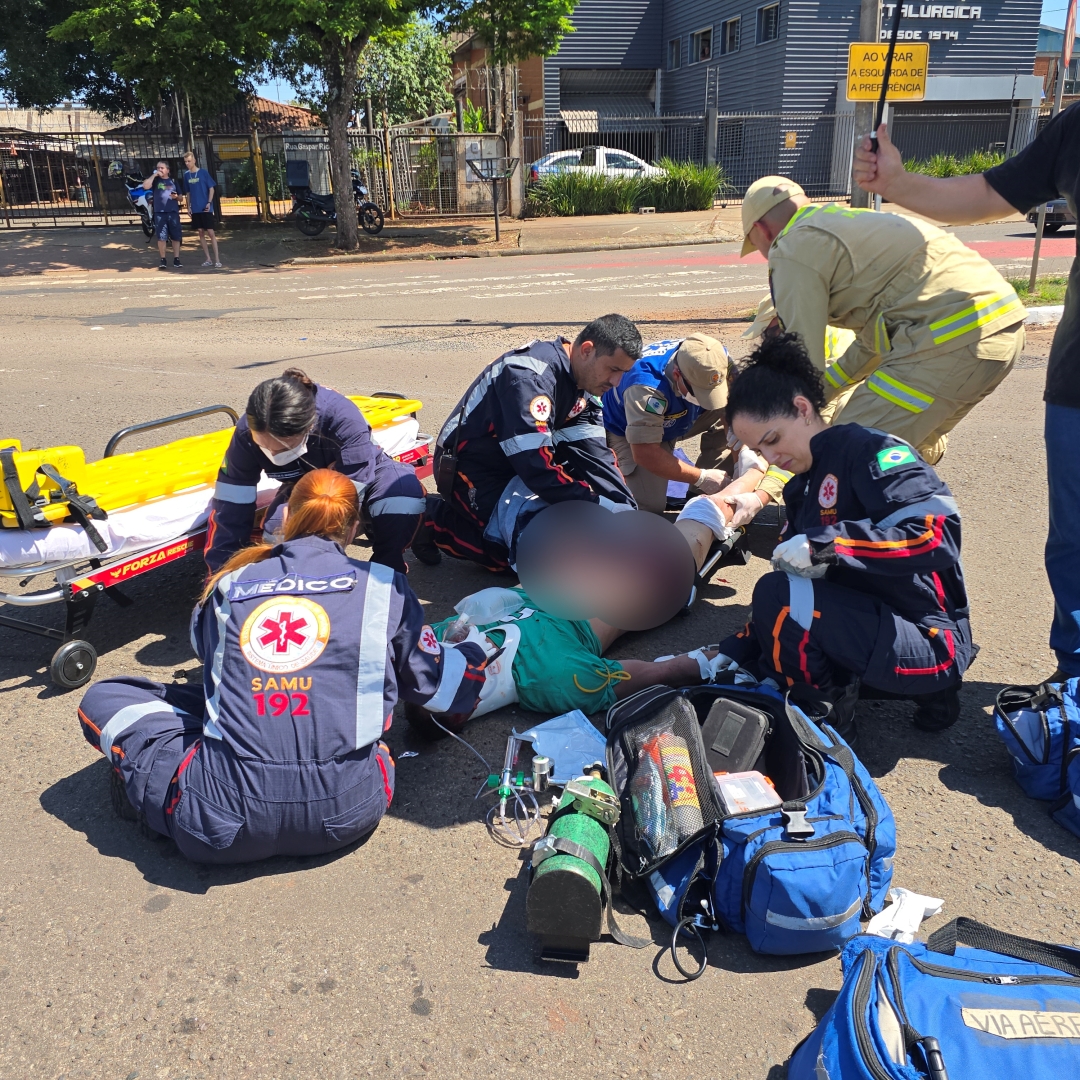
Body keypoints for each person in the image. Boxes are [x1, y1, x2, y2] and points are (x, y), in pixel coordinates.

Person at [77, 471, 487, 863]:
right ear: (353, 529)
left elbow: (212, 659)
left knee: (108, 696)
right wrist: (473, 654)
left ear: (287, 517)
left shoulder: (229, 582)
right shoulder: (385, 585)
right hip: (348, 812)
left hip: (219, 821)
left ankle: (154, 785)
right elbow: (437, 686)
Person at [852, 111, 1078, 682]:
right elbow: (987, 193)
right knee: (1075, 542)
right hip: (1078, 383)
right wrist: (898, 185)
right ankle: (1073, 683)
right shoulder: (1076, 128)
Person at [714, 333, 972, 733]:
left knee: (776, 598)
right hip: (873, 628)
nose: (772, 458)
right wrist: (729, 651)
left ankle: (826, 721)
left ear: (802, 409)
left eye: (772, 440)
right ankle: (871, 688)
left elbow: (937, 535)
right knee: (770, 622)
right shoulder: (801, 486)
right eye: (760, 452)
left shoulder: (871, 449)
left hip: (929, 638)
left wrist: (826, 545)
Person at [406, 493, 748, 738]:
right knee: (703, 518)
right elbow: (661, 672)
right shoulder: (552, 679)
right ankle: (752, 487)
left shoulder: (436, 639)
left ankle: (753, 473)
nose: (457, 648)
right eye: (459, 671)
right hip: (635, 580)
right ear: (470, 707)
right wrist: (729, 656)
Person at [739, 174, 1027, 464]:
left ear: (761, 229)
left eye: (755, 245)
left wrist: (778, 428)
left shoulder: (790, 246)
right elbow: (873, 341)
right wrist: (825, 391)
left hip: (942, 343)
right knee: (897, 459)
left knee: (841, 455)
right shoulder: (851, 222)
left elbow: (801, 362)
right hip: (1001, 332)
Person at [410, 315, 641, 572]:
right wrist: (594, 503)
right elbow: (536, 465)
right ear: (586, 350)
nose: (616, 382)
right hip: (471, 467)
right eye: (614, 370)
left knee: (574, 528)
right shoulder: (529, 378)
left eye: (624, 373)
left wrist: (623, 507)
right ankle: (427, 518)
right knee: (515, 551)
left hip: (515, 462)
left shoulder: (587, 381)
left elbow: (595, 455)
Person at [205, 368, 425, 575]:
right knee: (276, 533)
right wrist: (220, 577)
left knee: (401, 502)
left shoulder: (342, 417)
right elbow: (230, 507)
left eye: (282, 448)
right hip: (303, 484)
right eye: (264, 447)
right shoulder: (247, 433)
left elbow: (347, 496)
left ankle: (386, 572)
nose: (272, 453)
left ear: (310, 428)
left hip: (369, 473)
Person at [601, 333, 785, 519]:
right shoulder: (645, 387)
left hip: (684, 414)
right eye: (700, 393)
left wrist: (740, 452)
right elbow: (644, 452)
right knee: (646, 509)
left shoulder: (716, 358)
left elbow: (732, 406)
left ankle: (701, 497)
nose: (707, 400)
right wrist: (701, 477)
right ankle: (704, 482)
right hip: (630, 428)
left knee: (737, 423)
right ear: (677, 375)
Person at [141, 160, 183, 269]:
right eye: (158, 168)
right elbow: (145, 186)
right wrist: (154, 175)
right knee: (161, 237)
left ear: (167, 170)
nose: (160, 170)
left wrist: (176, 197)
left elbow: (181, 198)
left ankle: (176, 259)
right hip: (160, 213)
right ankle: (163, 259)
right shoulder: (155, 181)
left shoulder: (173, 181)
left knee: (176, 237)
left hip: (173, 212)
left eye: (162, 168)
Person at [182, 151, 220, 268]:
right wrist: (188, 206)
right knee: (200, 232)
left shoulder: (203, 173)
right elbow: (188, 192)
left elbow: (211, 189)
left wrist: (209, 203)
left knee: (211, 232)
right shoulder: (186, 175)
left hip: (205, 207)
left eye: (189, 161)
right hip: (196, 208)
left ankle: (217, 259)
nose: (187, 163)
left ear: (194, 160)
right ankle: (208, 258)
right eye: (185, 162)